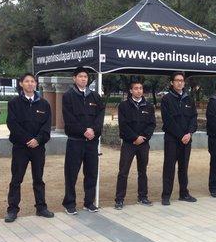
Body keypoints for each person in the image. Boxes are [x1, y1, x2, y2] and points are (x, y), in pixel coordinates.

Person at [5, 73, 54, 223]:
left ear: (36, 84)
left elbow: (46, 127)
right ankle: (12, 209)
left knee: (38, 179)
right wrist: (28, 139)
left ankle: (41, 207)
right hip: (21, 147)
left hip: (38, 148)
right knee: (16, 179)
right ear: (21, 84)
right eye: (27, 81)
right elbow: (12, 125)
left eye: (33, 81)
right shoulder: (14, 103)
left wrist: (38, 140)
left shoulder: (44, 104)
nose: (30, 84)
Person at [61, 67, 105, 215]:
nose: (83, 79)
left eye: (85, 77)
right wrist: (84, 131)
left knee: (91, 172)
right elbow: (69, 119)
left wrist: (94, 130)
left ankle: (89, 202)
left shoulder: (95, 96)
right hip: (75, 141)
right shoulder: (68, 96)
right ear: (74, 78)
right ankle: (69, 203)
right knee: (71, 173)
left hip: (91, 142)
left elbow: (100, 116)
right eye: (80, 76)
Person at [114, 77, 156, 210]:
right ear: (131, 91)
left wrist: (143, 137)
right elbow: (123, 125)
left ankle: (142, 196)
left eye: (141, 88)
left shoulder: (149, 106)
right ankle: (119, 199)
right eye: (136, 88)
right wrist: (134, 137)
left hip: (143, 144)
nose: (139, 91)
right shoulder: (124, 106)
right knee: (123, 172)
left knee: (142, 171)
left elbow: (151, 124)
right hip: (129, 144)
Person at [161, 72, 198, 205]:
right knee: (169, 167)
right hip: (172, 139)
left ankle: (184, 193)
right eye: (177, 80)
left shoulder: (189, 98)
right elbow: (168, 121)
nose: (179, 83)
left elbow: (194, 118)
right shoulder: (166, 99)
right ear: (172, 82)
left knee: (184, 167)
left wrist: (189, 133)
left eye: (181, 80)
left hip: (187, 139)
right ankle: (166, 195)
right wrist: (180, 135)